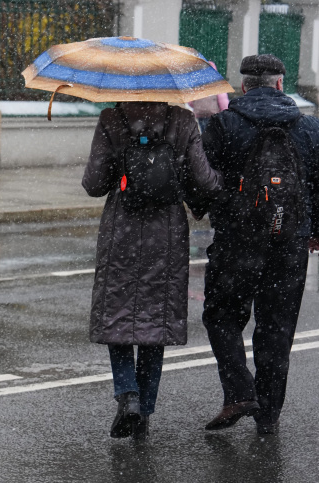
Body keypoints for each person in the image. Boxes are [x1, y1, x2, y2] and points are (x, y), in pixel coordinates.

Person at [83, 101, 221, 440]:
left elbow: (94, 183)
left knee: (117, 311)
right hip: (167, 231)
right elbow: (204, 180)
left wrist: (123, 169)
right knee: (155, 318)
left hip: (122, 228)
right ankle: (143, 414)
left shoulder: (111, 118)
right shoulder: (183, 120)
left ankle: (127, 392)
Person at [199, 54, 319, 435]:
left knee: (221, 315)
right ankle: (268, 415)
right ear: (281, 84)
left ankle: (238, 392)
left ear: (243, 85)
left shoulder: (224, 125)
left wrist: (213, 209)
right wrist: (315, 230)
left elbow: (202, 178)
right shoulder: (309, 127)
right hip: (290, 243)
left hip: (237, 241)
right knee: (277, 328)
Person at [188, 61, 230, 133]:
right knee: (213, 132)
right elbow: (223, 100)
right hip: (213, 114)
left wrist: (198, 105)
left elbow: (190, 102)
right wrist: (225, 111)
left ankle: (204, 138)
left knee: (203, 130)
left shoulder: (196, 84)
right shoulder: (217, 84)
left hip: (200, 114)